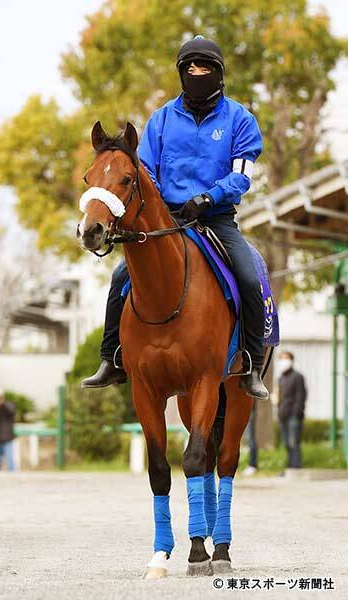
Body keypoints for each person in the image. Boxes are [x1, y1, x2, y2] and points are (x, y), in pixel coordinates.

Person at [82, 35, 269, 400]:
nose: (198, 73)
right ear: (182, 73)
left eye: (205, 68)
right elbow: (145, 169)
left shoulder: (240, 119)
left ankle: (252, 364)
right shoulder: (162, 119)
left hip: (215, 218)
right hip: (166, 219)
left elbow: (242, 174)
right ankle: (110, 359)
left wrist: (207, 196)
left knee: (248, 277)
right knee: (121, 276)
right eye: (191, 68)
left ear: (219, 74)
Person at [277, 351, 307, 469]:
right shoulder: (281, 378)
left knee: (294, 442)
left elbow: (301, 396)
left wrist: (296, 413)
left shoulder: (297, 376)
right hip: (283, 415)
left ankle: (296, 467)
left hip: (293, 416)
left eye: (286, 358)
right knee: (287, 444)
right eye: (281, 359)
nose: (283, 362)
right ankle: (290, 466)